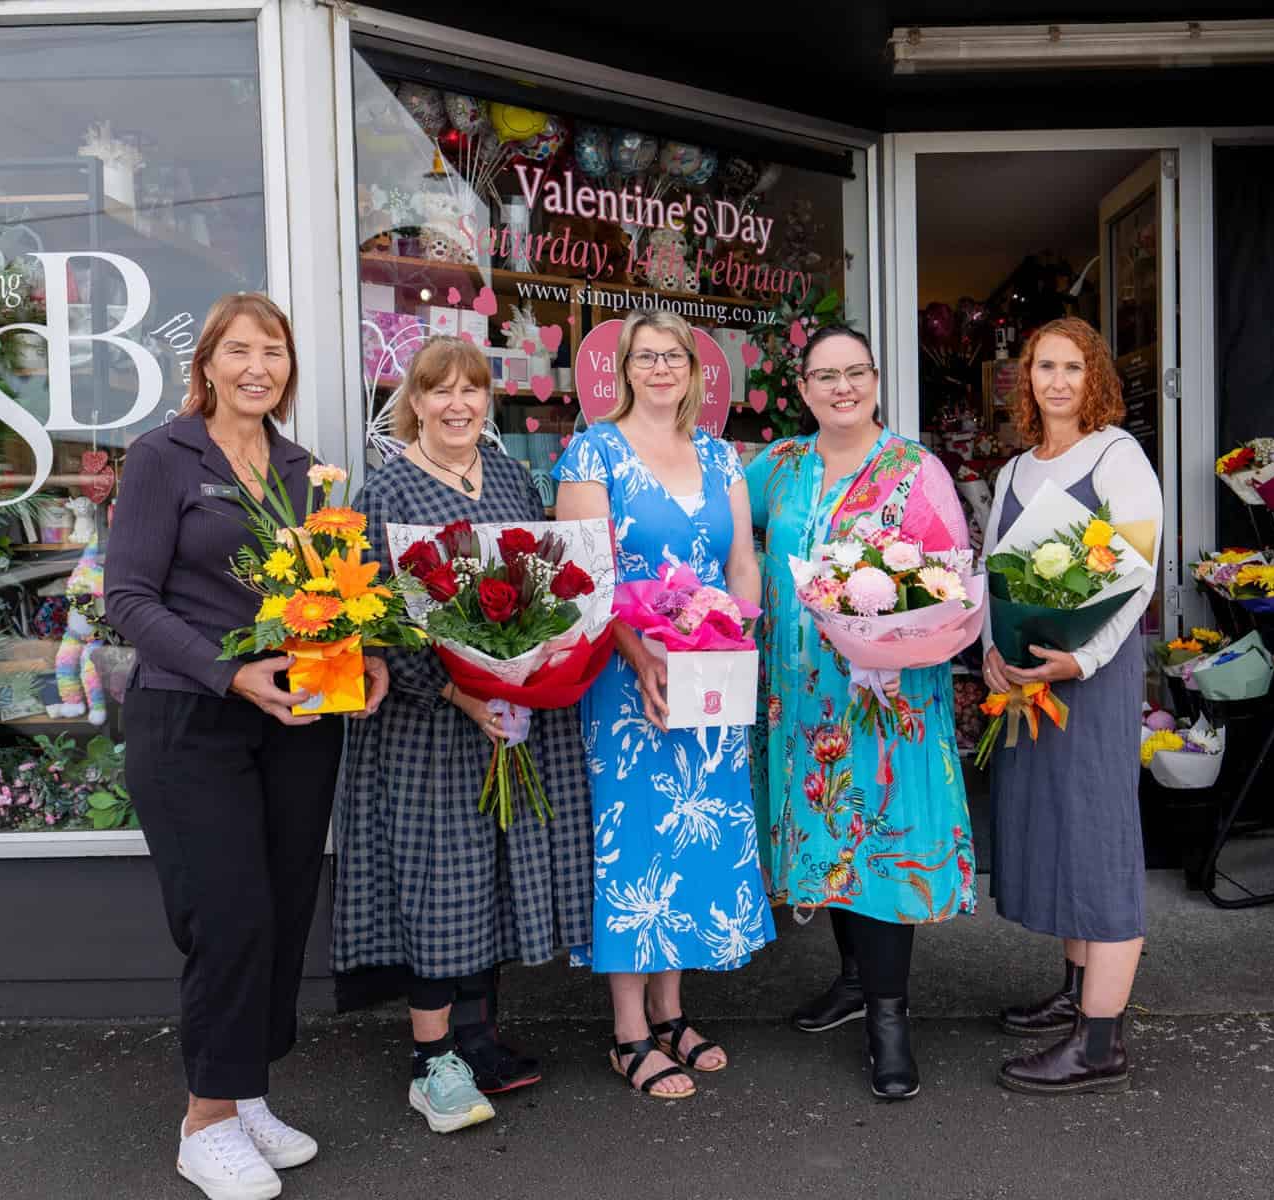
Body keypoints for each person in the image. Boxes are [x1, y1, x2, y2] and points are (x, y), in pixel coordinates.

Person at [107, 292, 389, 1200]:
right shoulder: (164, 456)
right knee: (226, 914)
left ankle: (246, 1090)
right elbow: (128, 602)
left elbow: (325, 590)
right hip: (192, 717)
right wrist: (232, 675)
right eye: (239, 350)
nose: (257, 366)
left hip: (298, 721)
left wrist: (366, 654)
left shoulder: (302, 469)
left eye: (273, 351)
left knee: (280, 907)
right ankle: (206, 1121)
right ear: (208, 363)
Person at [330, 336, 594, 1133]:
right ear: (413, 401)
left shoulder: (513, 475)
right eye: (438, 391)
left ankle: (478, 1038)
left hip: (507, 713)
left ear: (488, 401)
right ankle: (430, 1061)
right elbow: (377, 621)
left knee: (491, 878)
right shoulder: (386, 491)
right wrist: (456, 688)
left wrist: (531, 663)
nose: (457, 405)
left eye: (471, 391)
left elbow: (542, 583)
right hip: (430, 726)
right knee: (439, 886)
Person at [747, 325, 976, 1101]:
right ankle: (852, 983)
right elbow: (719, 533)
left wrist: (894, 634)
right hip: (801, 701)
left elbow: (951, 583)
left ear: (876, 381)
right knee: (829, 843)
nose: (841, 388)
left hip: (886, 705)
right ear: (802, 389)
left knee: (878, 849)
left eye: (856, 373)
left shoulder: (917, 471)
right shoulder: (776, 469)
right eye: (824, 376)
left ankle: (890, 1022)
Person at [553, 309, 775, 1099]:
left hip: (710, 674)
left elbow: (742, 562)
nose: (659, 368)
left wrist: (739, 643)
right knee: (637, 840)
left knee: (692, 837)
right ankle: (628, 1033)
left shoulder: (722, 457)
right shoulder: (592, 451)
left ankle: (674, 1012)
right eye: (643, 356)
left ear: (694, 370)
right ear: (623, 371)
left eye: (672, 356)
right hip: (627, 680)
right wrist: (640, 654)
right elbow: (584, 576)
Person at [981, 316, 1162, 1095]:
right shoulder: (1017, 470)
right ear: (1026, 378)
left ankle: (1100, 1044)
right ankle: (1076, 992)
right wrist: (990, 654)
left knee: (1097, 834)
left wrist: (1080, 658)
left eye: (1072, 367)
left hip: (1090, 677)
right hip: (1029, 680)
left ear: (1095, 379)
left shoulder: (1119, 456)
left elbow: (1139, 574)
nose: (1056, 381)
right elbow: (997, 575)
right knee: (1054, 827)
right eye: (1042, 365)